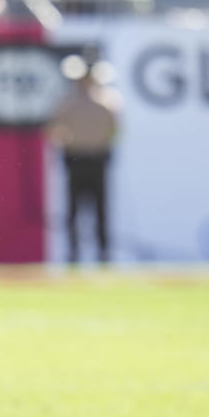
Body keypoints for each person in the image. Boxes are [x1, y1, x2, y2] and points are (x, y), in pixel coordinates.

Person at [47, 54, 121, 263]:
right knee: (76, 211)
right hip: (78, 158)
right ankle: (75, 252)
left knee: (98, 210)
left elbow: (114, 130)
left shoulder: (100, 101)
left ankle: (102, 252)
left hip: (92, 158)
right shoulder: (101, 101)